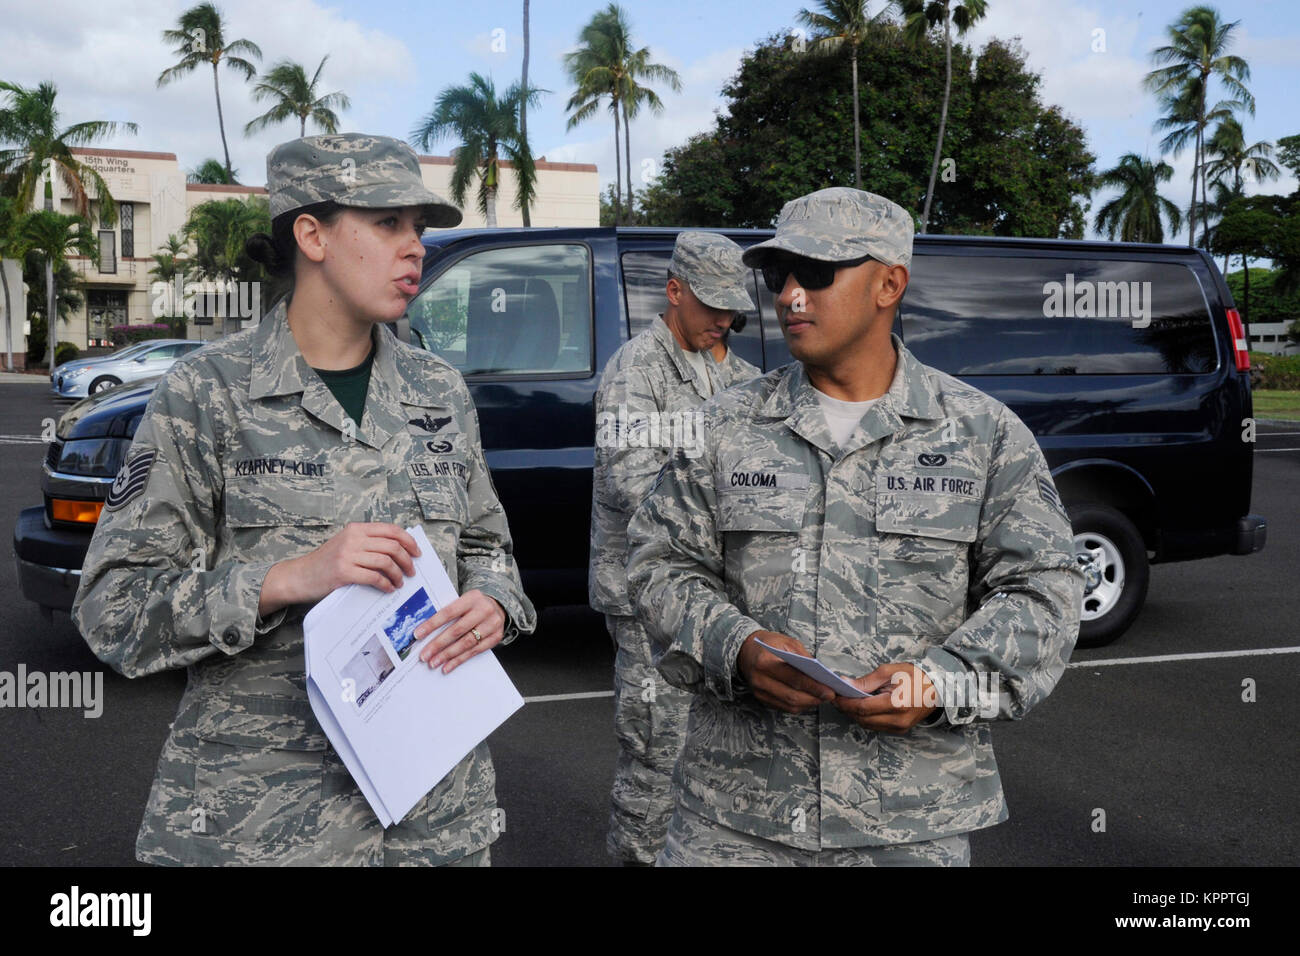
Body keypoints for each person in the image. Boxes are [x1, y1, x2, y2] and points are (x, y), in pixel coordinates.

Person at [72, 133, 536, 866]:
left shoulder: (439, 393)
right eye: (388, 223)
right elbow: (112, 608)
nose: (414, 246)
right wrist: (284, 580)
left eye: (418, 228)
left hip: (434, 818)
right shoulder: (207, 395)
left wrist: (494, 605)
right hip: (263, 825)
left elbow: (487, 547)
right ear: (311, 235)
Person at [626, 187, 1084, 866]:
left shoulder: (982, 434)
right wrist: (739, 646)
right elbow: (657, 564)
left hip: (907, 824)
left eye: (815, 273)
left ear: (889, 284)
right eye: (779, 275)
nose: (789, 296)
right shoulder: (725, 426)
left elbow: (1046, 595)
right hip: (735, 817)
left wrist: (937, 682)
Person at [590, 230, 757, 865]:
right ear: (674, 291)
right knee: (657, 752)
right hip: (649, 598)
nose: (723, 319)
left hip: (727, 599)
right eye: (710, 304)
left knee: (725, 750)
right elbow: (636, 482)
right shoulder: (636, 370)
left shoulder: (746, 378)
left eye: (731, 306)